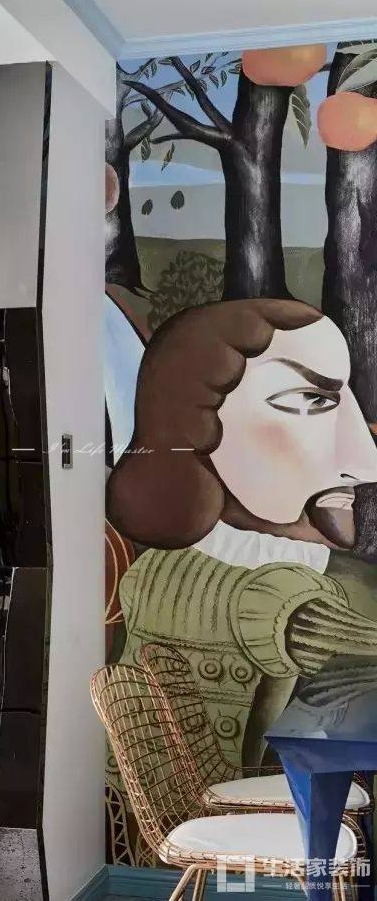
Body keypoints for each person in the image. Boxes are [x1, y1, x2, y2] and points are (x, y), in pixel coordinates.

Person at [107, 298, 377, 767]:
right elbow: (302, 622)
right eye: (312, 400)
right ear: (199, 429)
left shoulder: (167, 565)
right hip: (219, 808)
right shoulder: (263, 590)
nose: (366, 463)